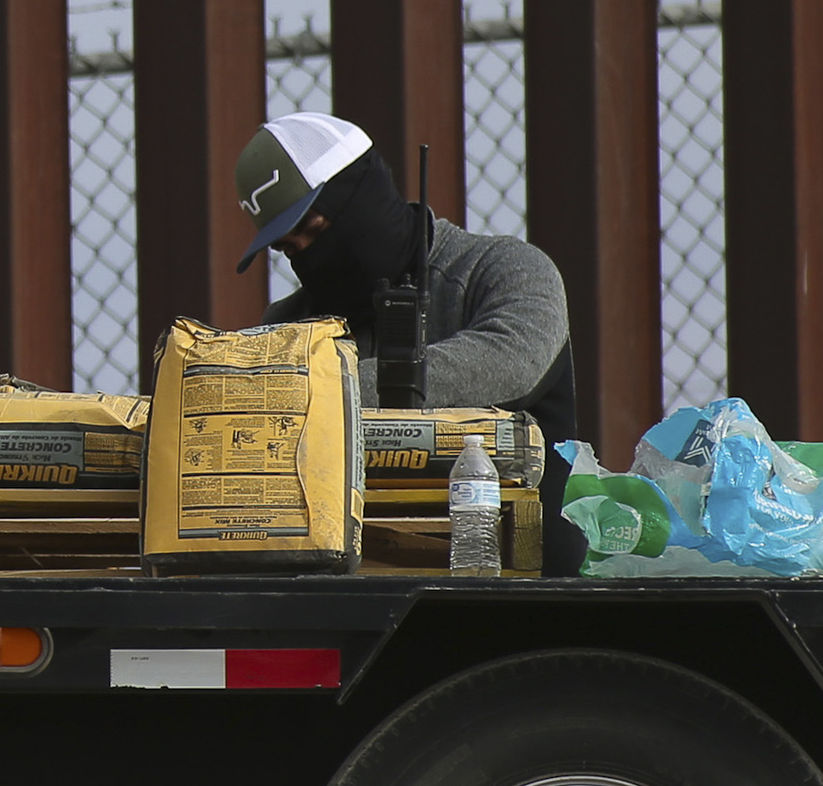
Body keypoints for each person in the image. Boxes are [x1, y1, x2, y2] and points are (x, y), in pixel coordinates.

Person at [233, 111, 581, 565]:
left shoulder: (504, 270)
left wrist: (317, 391)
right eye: (288, 249)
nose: (309, 257)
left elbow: (512, 362)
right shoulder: (293, 323)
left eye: (314, 230)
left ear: (362, 197)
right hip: (355, 582)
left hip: (520, 576)